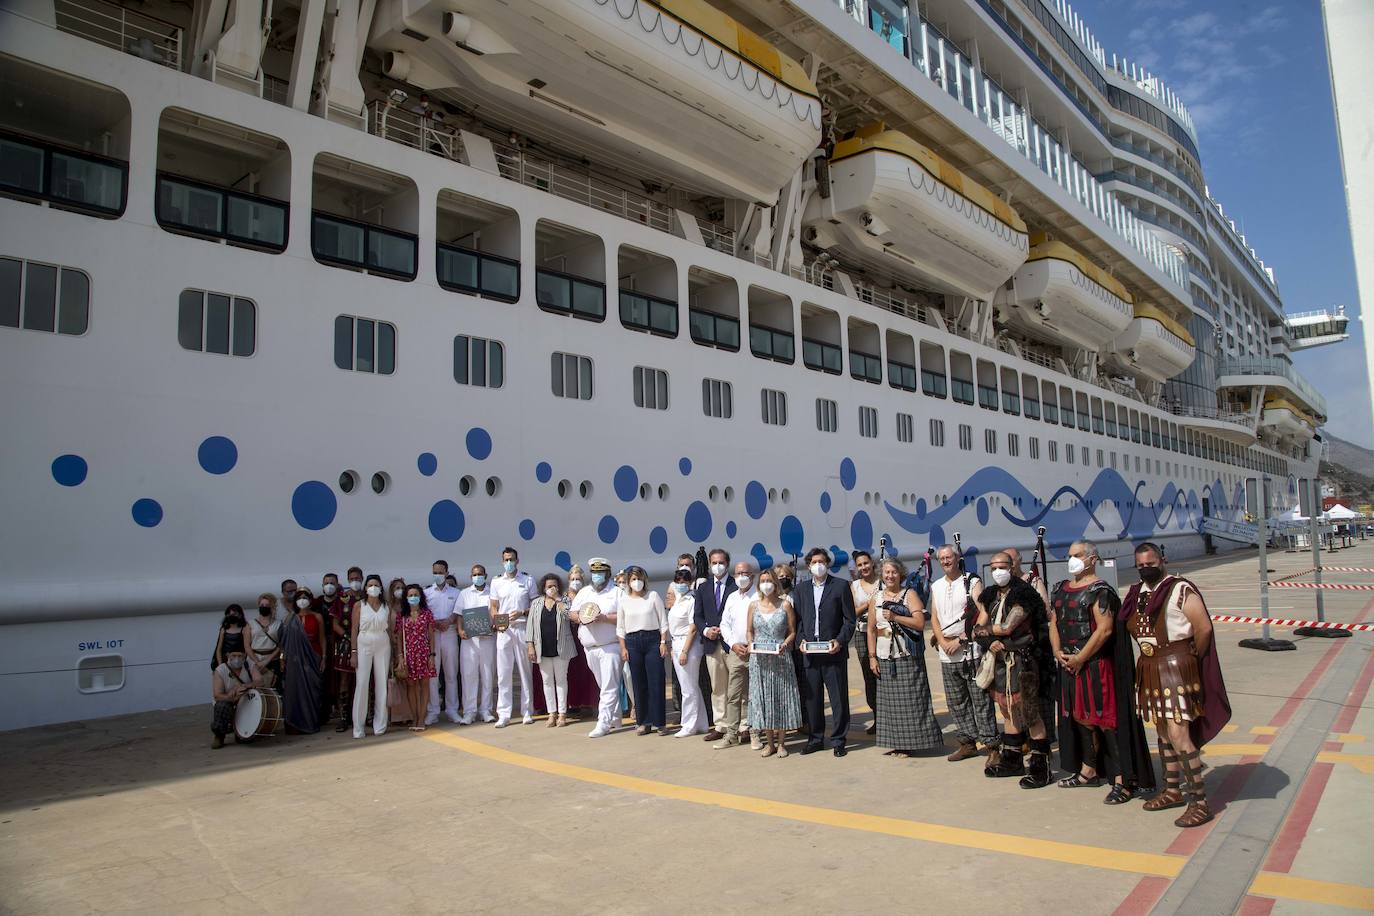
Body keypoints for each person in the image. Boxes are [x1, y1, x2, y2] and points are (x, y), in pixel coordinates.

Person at [1120, 542, 1232, 827]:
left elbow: (1203, 627)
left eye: (1150, 563)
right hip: (1149, 667)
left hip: (1175, 666)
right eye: (1141, 565)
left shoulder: (1181, 588)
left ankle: (1199, 802)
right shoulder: (1138, 593)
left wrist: (1192, 656)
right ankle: (1172, 790)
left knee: (1179, 733)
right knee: (1161, 730)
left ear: (1162, 560)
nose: (1146, 568)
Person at [1048, 540, 1155, 804]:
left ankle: (1122, 780)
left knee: (1107, 721)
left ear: (1092, 558)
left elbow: (1105, 629)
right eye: (1069, 555)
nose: (1071, 559)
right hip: (1069, 666)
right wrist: (1057, 651)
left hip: (1096, 666)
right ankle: (1088, 770)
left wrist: (1081, 658)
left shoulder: (1101, 591)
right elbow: (1054, 622)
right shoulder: (1060, 589)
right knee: (1080, 718)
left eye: (1077, 555)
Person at [973, 553, 1051, 787]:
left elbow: (1008, 627)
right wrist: (988, 641)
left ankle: (1041, 768)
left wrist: (987, 632)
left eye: (1003, 567)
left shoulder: (1024, 594)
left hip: (1023, 662)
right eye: (994, 567)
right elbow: (976, 628)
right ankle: (1012, 760)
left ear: (1013, 567)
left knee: (1030, 713)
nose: (998, 571)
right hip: (999, 661)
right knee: (1007, 710)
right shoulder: (990, 595)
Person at [867, 559, 943, 757]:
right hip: (885, 655)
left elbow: (919, 622)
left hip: (906, 654)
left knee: (912, 702)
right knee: (890, 705)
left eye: (893, 572)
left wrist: (895, 617)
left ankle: (910, 743)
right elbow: (870, 629)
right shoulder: (876, 598)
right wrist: (872, 657)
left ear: (900, 573)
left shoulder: (909, 594)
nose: (890, 576)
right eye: (886, 573)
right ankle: (896, 743)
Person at [929, 545, 997, 761]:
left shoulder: (971, 582)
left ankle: (992, 745)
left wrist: (962, 639)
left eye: (949, 557)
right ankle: (967, 743)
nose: (946, 561)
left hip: (970, 651)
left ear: (957, 558)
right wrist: (941, 641)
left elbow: (983, 613)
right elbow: (934, 617)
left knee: (980, 699)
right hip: (946, 653)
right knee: (956, 701)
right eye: (942, 558)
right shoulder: (936, 586)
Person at [792, 547, 856, 756]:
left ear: (827, 563)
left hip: (833, 652)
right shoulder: (801, 589)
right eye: (814, 562)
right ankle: (815, 738)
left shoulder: (840, 586)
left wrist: (840, 641)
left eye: (822, 561)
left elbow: (849, 620)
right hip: (810, 652)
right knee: (813, 699)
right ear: (809, 565)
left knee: (838, 698)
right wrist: (800, 640)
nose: (818, 565)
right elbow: (798, 621)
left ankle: (838, 740)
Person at [746, 567, 800, 757]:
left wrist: (785, 644)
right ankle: (769, 743)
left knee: (780, 698)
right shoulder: (753, 605)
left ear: (775, 583)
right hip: (759, 659)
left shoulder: (785, 605)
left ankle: (782, 743)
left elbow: (792, 631)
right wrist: (751, 643)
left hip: (780, 658)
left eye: (769, 580)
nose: (766, 584)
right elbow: (749, 630)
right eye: (763, 581)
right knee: (763, 699)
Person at [1005, 545, 1056, 742]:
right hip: (1012, 651)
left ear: (1019, 561)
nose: (1009, 565)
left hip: (1034, 648)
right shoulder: (1004, 586)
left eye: (1012, 560)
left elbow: (1046, 611)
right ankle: (1023, 737)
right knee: (1017, 697)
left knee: (1037, 696)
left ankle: (1042, 740)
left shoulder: (1033, 581)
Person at [572, 557, 622, 737]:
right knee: (604, 685)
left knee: (609, 686)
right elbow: (572, 613)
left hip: (610, 646)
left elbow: (624, 615)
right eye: (594, 573)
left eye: (600, 573)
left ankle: (603, 723)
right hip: (590, 647)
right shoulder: (584, 592)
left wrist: (605, 618)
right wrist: (580, 618)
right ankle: (615, 717)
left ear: (608, 573)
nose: (597, 576)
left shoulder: (617, 592)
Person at [616, 566, 669, 735]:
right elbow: (620, 628)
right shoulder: (624, 601)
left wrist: (662, 642)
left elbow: (663, 622)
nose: (636, 582)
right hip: (632, 642)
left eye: (639, 579)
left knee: (656, 680)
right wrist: (623, 648)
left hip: (653, 640)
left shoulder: (652, 596)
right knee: (638, 683)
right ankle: (643, 721)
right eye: (632, 579)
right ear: (628, 582)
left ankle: (659, 722)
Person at [490, 547, 537, 727]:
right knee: (503, 673)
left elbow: (535, 604)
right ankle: (504, 713)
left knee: (525, 671)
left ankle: (527, 711)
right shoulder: (497, 582)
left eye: (511, 559)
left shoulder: (527, 580)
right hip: (504, 630)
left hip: (522, 627)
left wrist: (522, 612)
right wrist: (497, 621)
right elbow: (494, 606)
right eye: (506, 560)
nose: (509, 563)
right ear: (502, 561)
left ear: (517, 561)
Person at [693, 548, 736, 742]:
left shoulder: (736, 586)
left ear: (727, 564)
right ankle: (721, 724)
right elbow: (698, 616)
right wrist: (705, 630)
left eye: (721, 562)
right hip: (711, 643)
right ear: (709, 565)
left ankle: (742, 724)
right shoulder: (703, 588)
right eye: (714, 563)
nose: (717, 566)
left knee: (738, 686)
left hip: (733, 644)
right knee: (718, 687)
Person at [714, 560, 757, 749]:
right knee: (733, 694)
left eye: (745, 573)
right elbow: (725, 624)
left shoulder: (759, 596)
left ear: (752, 576)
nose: (741, 577)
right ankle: (731, 734)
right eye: (738, 574)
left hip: (755, 652)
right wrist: (733, 643)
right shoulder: (731, 597)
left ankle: (753, 731)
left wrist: (753, 645)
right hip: (736, 652)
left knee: (753, 694)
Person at [527, 573, 576, 727]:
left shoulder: (564, 600)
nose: (552, 589)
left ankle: (562, 714)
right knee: (547, 681)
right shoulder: (536, 603)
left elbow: (568, 614)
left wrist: (557, 599)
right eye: (549, 586)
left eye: (554, 586)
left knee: (561, 680)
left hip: (561, 647)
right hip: (543, 648)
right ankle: (551, 713)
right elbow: (530, 625)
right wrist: (530, 645)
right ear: (543, 587)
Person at [350, 574, 393, 739]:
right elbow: (354, 629)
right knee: (361, 683)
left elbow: (389, 629)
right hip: (364, 643)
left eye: (376, 585)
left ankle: (380, 724)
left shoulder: (386, 606)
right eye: (370, 585)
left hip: (383, 642)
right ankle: (358, 727)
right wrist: (353, 652)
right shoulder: (359, 605)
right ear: (365, 588)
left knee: (382, 683)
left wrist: (395, 652)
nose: (373, 587)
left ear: (381, 588)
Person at [667, 567, 707, 737]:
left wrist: (684, 651)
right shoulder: (677, 599)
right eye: (678, 582)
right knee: (690, 685)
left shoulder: (692, 600)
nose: (681, 585)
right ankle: (701, 723)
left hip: (688, 644)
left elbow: (692, 628)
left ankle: (689, 725)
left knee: (687, 689)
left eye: (684, 582)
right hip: (677, 642)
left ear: (690, 583)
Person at [281, 586, 325, 734]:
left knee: (313, 689)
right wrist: (282, 659)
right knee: (295, 690)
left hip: (313, 656)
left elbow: (322, 638)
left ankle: (311, 722)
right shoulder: (290, 619)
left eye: (305, 597)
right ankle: (295, 723)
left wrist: (324, 657)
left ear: (310, 600)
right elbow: (284, 643)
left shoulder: (317, 617)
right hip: (294, 659)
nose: (302, 600)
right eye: (299, 598)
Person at [458, 565, 497, 724]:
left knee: (488, 675)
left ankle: (486, 710)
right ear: (471, 576)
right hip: (469, 641)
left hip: (488, 639)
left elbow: (496, 613)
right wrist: (460, 630)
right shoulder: (464, 593)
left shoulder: (492, 593)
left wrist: (495, 625)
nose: (477, 577)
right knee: (469, 675)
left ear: (485, 575)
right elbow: (459, 615)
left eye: (480, 574)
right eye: (475, 574)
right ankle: (469, 712)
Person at [395, 584, 437, 732]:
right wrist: (400, 657)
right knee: (411, 686)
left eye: (416, 595)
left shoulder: (427, 613)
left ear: (421, 597)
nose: (413, 598)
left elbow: (431, 635)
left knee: (424, 685)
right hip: (409, 655)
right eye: (410, 595)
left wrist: (432, 655)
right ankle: (414, 716)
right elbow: (399, 638)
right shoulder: (402, 616)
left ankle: (422, 718)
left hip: (424, 653)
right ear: (406, 598)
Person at [425, 560, 462, 725]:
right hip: (433, 636)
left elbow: (458, 612)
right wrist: (435, 623)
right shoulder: (427, 593)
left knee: (451, 674)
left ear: (446, 573)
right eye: (435, 572)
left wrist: (449, 620)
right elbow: (425, 614)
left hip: (450, 634)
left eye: (440, 572)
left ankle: (452, 709)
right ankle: (433, 711)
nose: (437, 575)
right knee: (433, 674)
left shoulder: (456, 592)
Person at [850, 550, 881, 734]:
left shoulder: (882, 582)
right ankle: (877, 716)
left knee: (884, 673)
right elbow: (852, 612)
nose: (864, 567)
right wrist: (868, 604)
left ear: (872, 563)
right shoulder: (854, 586)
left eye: (866, 563)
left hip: (883, 633)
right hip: (862, 634)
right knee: (869, 676)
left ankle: (889, 717)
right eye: (860, 565)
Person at [318, 572, 353, 732]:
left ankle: (362, 714)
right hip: (338, 645)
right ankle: (342, 717)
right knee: (340, 681)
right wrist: (348, 637)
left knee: (361, 680)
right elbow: (335, 624)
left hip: (361, 644)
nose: (329, 585)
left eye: (332, 582)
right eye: (326, 582)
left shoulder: (357, 599)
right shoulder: (320, 602)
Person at [563, 565, 599, 713]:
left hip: (586, 633)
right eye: (573, 579)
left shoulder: (588, 594)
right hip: (568, 634)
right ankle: (573, 702)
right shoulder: (564, 596)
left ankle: (588, 702)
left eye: (578, 579)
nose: (575, 581)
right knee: (571, 669)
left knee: (587, 668)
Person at [210, 649, 261, 748]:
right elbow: (217, 695)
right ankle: (219, 736)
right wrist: (231, 697)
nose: (236, 659)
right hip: (229, 701)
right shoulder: (221, 670)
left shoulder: (249, 665)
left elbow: (259, 681)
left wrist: (245, 686)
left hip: (245, 701)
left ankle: (241, 732)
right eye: (233, 655)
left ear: (245, 655)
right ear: (228, 655)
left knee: (244, 740)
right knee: (221, 705)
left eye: (240, 655)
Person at [248, 594, 284, 688]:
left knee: (274, 687)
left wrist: (267, 660)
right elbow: (247, 645)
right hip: (254, 660)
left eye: (267, 605)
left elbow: (281, 645)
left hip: (272, 660)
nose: (264, 607)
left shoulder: (279, 624)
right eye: (262, 605)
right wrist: (257, 661)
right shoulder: (250, 623)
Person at [210, 604, 247, 670]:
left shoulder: (244, 629)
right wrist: (220, 665)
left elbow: (247, 647)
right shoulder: (223, 629)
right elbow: (219, 649)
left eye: (234, 614)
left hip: (239, 661)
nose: (231, 615)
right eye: (229, 614)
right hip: (225, 661)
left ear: (240, 615)